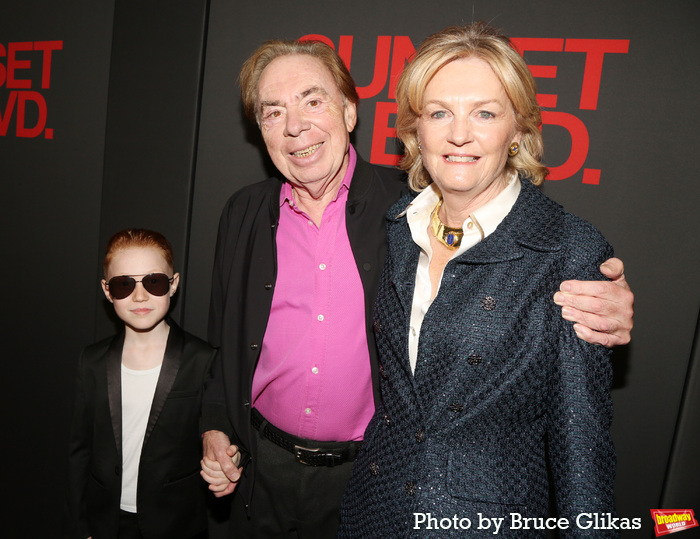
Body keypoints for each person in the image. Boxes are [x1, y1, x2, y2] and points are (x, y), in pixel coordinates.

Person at [199, 39, 632, 539]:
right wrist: (217, 423)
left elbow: (582, 451)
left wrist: (608, 303)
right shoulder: (391, 221)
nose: (295, 125)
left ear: (350, 111)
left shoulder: (395, 209)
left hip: (393, 489)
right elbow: (221, 338)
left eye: (313, 101)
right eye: (274, 112)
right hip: (293, 477)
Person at [338, 23, 618, 538]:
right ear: (415, 129)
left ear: (518, 130)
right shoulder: (401, 225)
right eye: (439, 112)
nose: (459, 134)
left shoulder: (568, 250)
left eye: (484, 113)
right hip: (372, 510)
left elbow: (582, 446)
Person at [65, 229, 215, 539]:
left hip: (176, 524)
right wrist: (81, 526)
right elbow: (80, 452)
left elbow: (221, 433)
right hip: (106, 522)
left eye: (153, 281)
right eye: (124, 284)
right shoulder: (91, 361)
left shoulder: (203, 359)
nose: (140, 296)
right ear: (108, 292)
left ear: (173, 284)